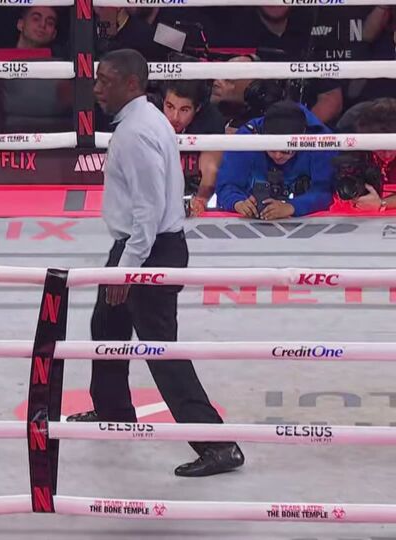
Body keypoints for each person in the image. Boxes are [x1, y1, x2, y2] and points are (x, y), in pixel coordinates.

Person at [65, 49, 244, 478]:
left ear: (131, 84)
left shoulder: (136, 134)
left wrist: (128, 269)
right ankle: (114, 410)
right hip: (139, 245)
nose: (97, 88)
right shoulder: (146, 118)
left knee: (161, 349)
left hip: (148, 249)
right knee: (106, 325)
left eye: (105, 81)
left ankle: (218, 445)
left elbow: (147, 210)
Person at [216, 100, 335, 220]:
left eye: (286, 151)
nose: (278, 156)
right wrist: (237, 202)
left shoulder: (319, 141)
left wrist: (292, 207)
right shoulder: (247, 137)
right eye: (271, 149)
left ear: (303, 135)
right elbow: (226, 185)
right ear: (263, 134)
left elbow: (325, 192)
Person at [159, 80, 224, 216]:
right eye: (169, 106)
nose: (175, 117)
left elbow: (210, 169)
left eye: (184, 110)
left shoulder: (210, 120)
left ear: (197, 108)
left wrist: (200, 201)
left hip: (191, 194)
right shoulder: (151, 116)